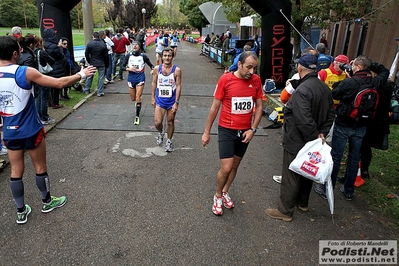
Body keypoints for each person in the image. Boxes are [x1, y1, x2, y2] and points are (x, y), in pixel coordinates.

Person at [0, 36, 96, 224]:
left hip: (10, 132)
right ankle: (47, 201)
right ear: (14, 53)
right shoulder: (24, 72)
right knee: (40, 168)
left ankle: (20, 212)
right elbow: (59, 83)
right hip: (31, 130)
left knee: (16, 171)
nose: (21, 53)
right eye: (19, 50)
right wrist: (82, 74)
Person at [265, 53, 335, 221]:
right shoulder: (324, 87)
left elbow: (303, 118)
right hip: (314, 139)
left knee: (291, 174)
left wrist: (313, 137)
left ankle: (285, 211)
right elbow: (331, 114)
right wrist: (321, 135)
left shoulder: (303, 90)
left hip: (298, 139)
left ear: (301, 67)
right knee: (307, 170)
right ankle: (302, 203)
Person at [202, 51, 264, 216]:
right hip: (227, 129)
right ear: (240, 64)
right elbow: (215, 107)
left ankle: (225, 192)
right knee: (227, 167)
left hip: (245, 131)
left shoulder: (256, 81)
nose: (252, 72)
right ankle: (217, 195)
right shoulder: (226, 79)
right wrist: (206, 132)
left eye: (255, 68)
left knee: (235, 165)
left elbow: (259, 107)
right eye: (249, 67)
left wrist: (253, 129)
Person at [330, 56, 389, 200]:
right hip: (362, 126)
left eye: (354, 65)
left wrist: (348, 78)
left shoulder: (350, 82)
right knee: (354, 157)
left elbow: (334, 93)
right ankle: (349, 190)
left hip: (344, 124)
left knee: (336, 156)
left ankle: (328, 188)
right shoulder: (375, 82)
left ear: (358, 67)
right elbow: (384, 71)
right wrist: (370, 65)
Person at [151, 48, 182, 152]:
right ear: (162, 57)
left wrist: (176, 102)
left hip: (171, 101)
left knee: (170, 122)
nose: (167, 58)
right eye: (165, 56)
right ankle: (160, 132)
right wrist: (152, 98)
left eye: (169, 56)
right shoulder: (157, 69)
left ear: (172, 57)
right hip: (160, 100)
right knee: (157, 122)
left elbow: (178, 86)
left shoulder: (177, 70)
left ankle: (169, 140)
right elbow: (154, 83)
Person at [121, 41, 155, 125]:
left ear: (139, 46)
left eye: (136, 45)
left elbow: (151, 65)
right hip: (131, 78)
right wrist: (129, 69)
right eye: (133, 45)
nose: (135, 46)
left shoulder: (143, 56)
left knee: (138, 97)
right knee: (133, 99)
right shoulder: (128, 55)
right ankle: (137, 102)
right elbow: (122, 67)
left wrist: (153, 70)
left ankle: (137, 116)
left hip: (140, 78)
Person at [43, 28, 67, 109]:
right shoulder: (54, 46)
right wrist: (60, 47)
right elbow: (61, 56)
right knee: (56, 85)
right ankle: (55, 103)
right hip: (55, 66)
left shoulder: (43, 44)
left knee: (48, 86)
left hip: (46, 67)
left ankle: (49, 102)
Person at [34, 35, 56, 124]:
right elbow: (52, 60)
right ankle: (44, 117)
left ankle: (39, 116)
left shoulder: (32, 52)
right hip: (44, 74)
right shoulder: (41, 52)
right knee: (44, 97)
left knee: (38, 97)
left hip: (35, 75)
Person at [84, 32, 109, 96]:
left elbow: (86, 54)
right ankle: (99, 92)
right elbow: (106, 55)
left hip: (93, 62)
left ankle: (87, 89)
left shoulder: (90, 44)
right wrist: (106, 63)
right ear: (99, 37)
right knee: (101, 77)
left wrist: (89, 61)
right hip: (101, 62)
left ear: (93, 36)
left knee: (90, 76)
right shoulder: (103, 44)